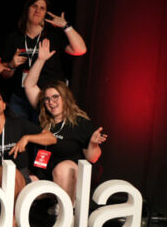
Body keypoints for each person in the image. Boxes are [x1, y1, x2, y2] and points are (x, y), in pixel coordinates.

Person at [23, 40, 107, 206]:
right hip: (45, 177)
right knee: (20, 182)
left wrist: (93, 144)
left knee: (63, 168)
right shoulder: (44, 117)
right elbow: (29, 84)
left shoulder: (79, 122)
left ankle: (66, 214)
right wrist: (40, 60)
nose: (51, 102)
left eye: (55, 97)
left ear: (65, 98)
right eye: (47, 99)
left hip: (70, 177)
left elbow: (93, 158)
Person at [0, 89, 56, 221]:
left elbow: (51, 138)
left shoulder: (18, 123)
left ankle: (8, 215)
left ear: (4, 105)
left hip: (19, 176)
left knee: (6, 169)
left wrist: (27, 138)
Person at [0, 0, 87, 122]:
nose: (37, 10)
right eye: (34, 6)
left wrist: (65, 26)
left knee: (43, 137)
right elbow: (6, 75)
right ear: (27, 9)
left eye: (42, 8)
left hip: (48, 101)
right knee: (15, 137)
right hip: (20, 99)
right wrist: (11, 65)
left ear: (46, 13)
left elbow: (80, 50)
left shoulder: (53, 36)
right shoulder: (14, 37)